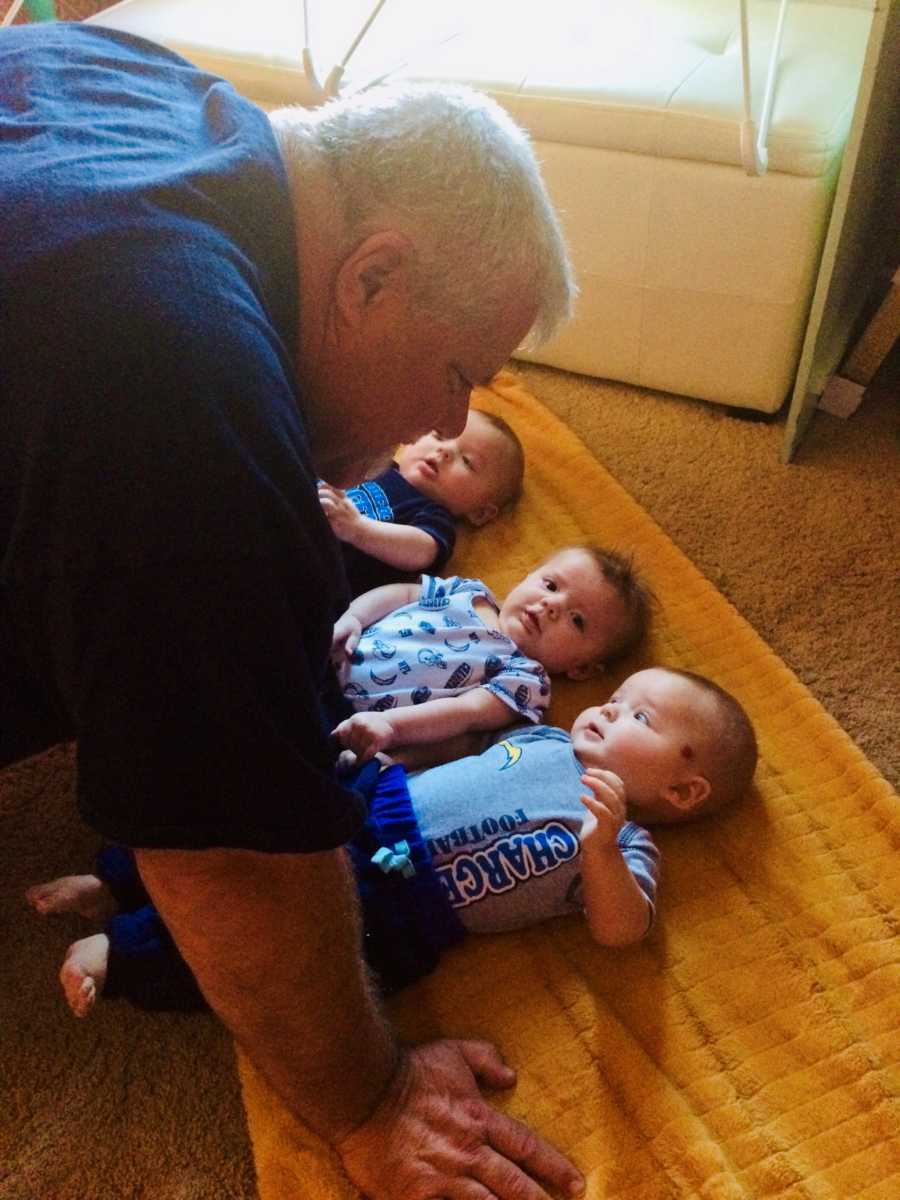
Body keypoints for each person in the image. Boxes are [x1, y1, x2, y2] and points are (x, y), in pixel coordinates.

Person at [1, 21, 585, 1200]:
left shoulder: (110, 65)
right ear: (371, 276)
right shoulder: (185, 397)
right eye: (462, 372)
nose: (443, 427)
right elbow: (231, 854)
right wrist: (367, 1099)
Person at [28, 666, 758, 1012]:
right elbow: (458, 749)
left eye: (640, 719)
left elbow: (622, 932)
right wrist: (390, 741)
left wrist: (598, 852)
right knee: (252, 819)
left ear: (683, 791)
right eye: (615, 696)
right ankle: (117, 877)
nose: (606, 710)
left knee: (286, 952)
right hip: (383, 801)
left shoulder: (627, 844)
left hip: (411, 902)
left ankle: (127, 951)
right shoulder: (540, 735)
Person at [331, 546, 654, 764]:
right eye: (552, 586)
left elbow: (466, 713)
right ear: (527, 576)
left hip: (356, 721)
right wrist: (353, 617)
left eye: (577, 620)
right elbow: (400, 594)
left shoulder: (525, 678)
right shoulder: (469, 593)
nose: (552, 605)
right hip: (330, 651)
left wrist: (389, 727)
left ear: (582, 669)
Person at [318, 407, 525, 596]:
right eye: (439, 436)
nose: (445, 450)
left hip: (322, 580)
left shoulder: (434, 516)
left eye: (468, 461)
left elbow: (420, 553)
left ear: (480, 513)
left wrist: (358, 529)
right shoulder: (376, 462)